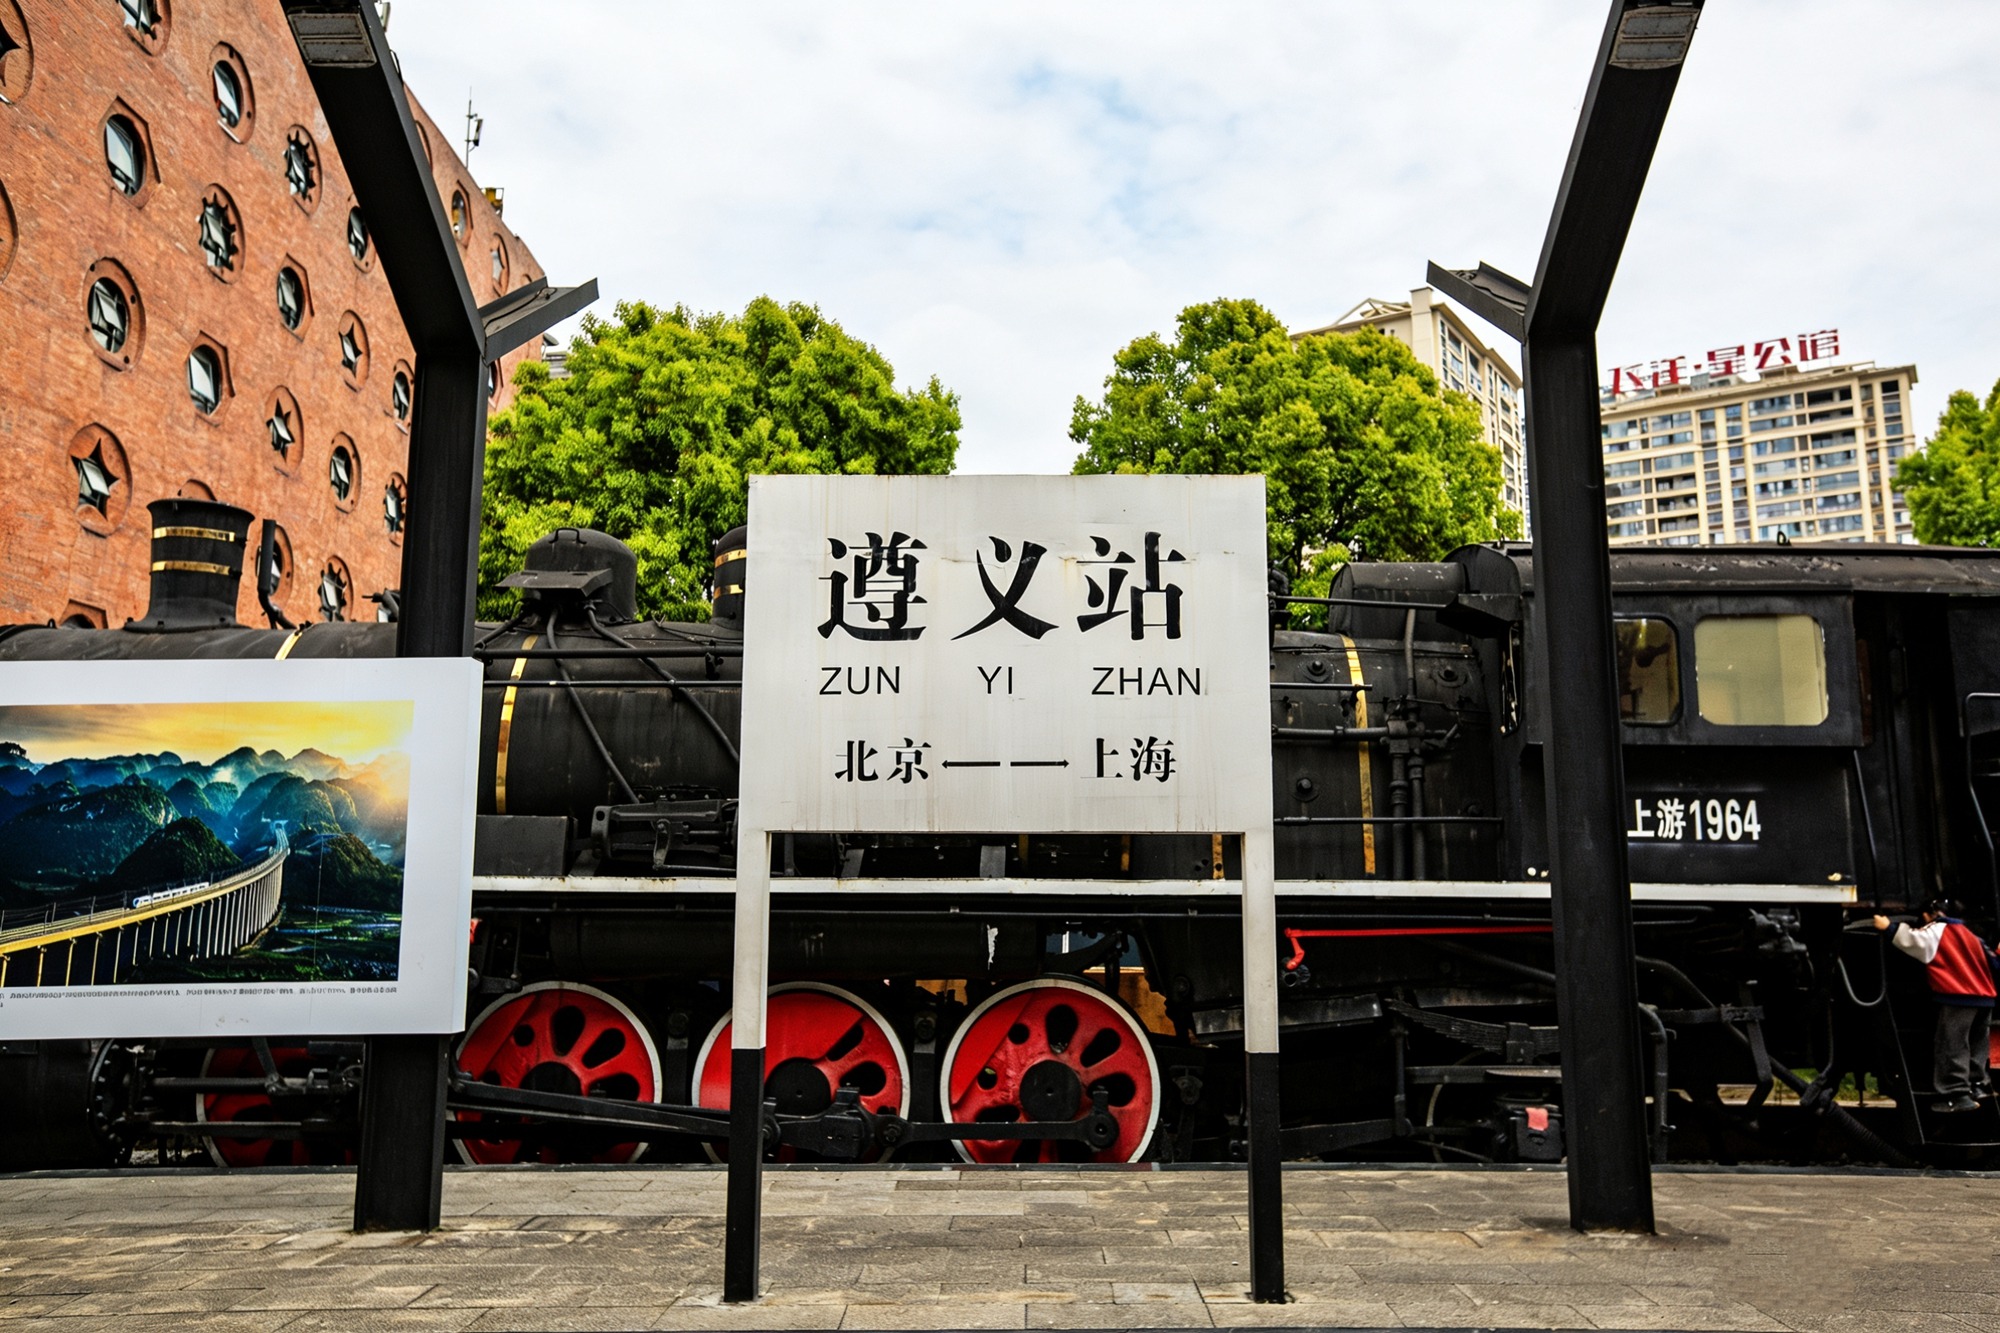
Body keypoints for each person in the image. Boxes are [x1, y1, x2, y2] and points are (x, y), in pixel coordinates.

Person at [1873, 899, 1997, 1113]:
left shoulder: (1937, 929)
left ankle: (1955, 1094)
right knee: (1977, 1044)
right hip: (1985, 998)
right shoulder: (1972, 933)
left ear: (1928, 914)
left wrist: (1889, 927)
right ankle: (1978, 1086)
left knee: (1952, 1044)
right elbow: (1993, 962)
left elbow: (1914, 941)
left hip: (1957, 997)